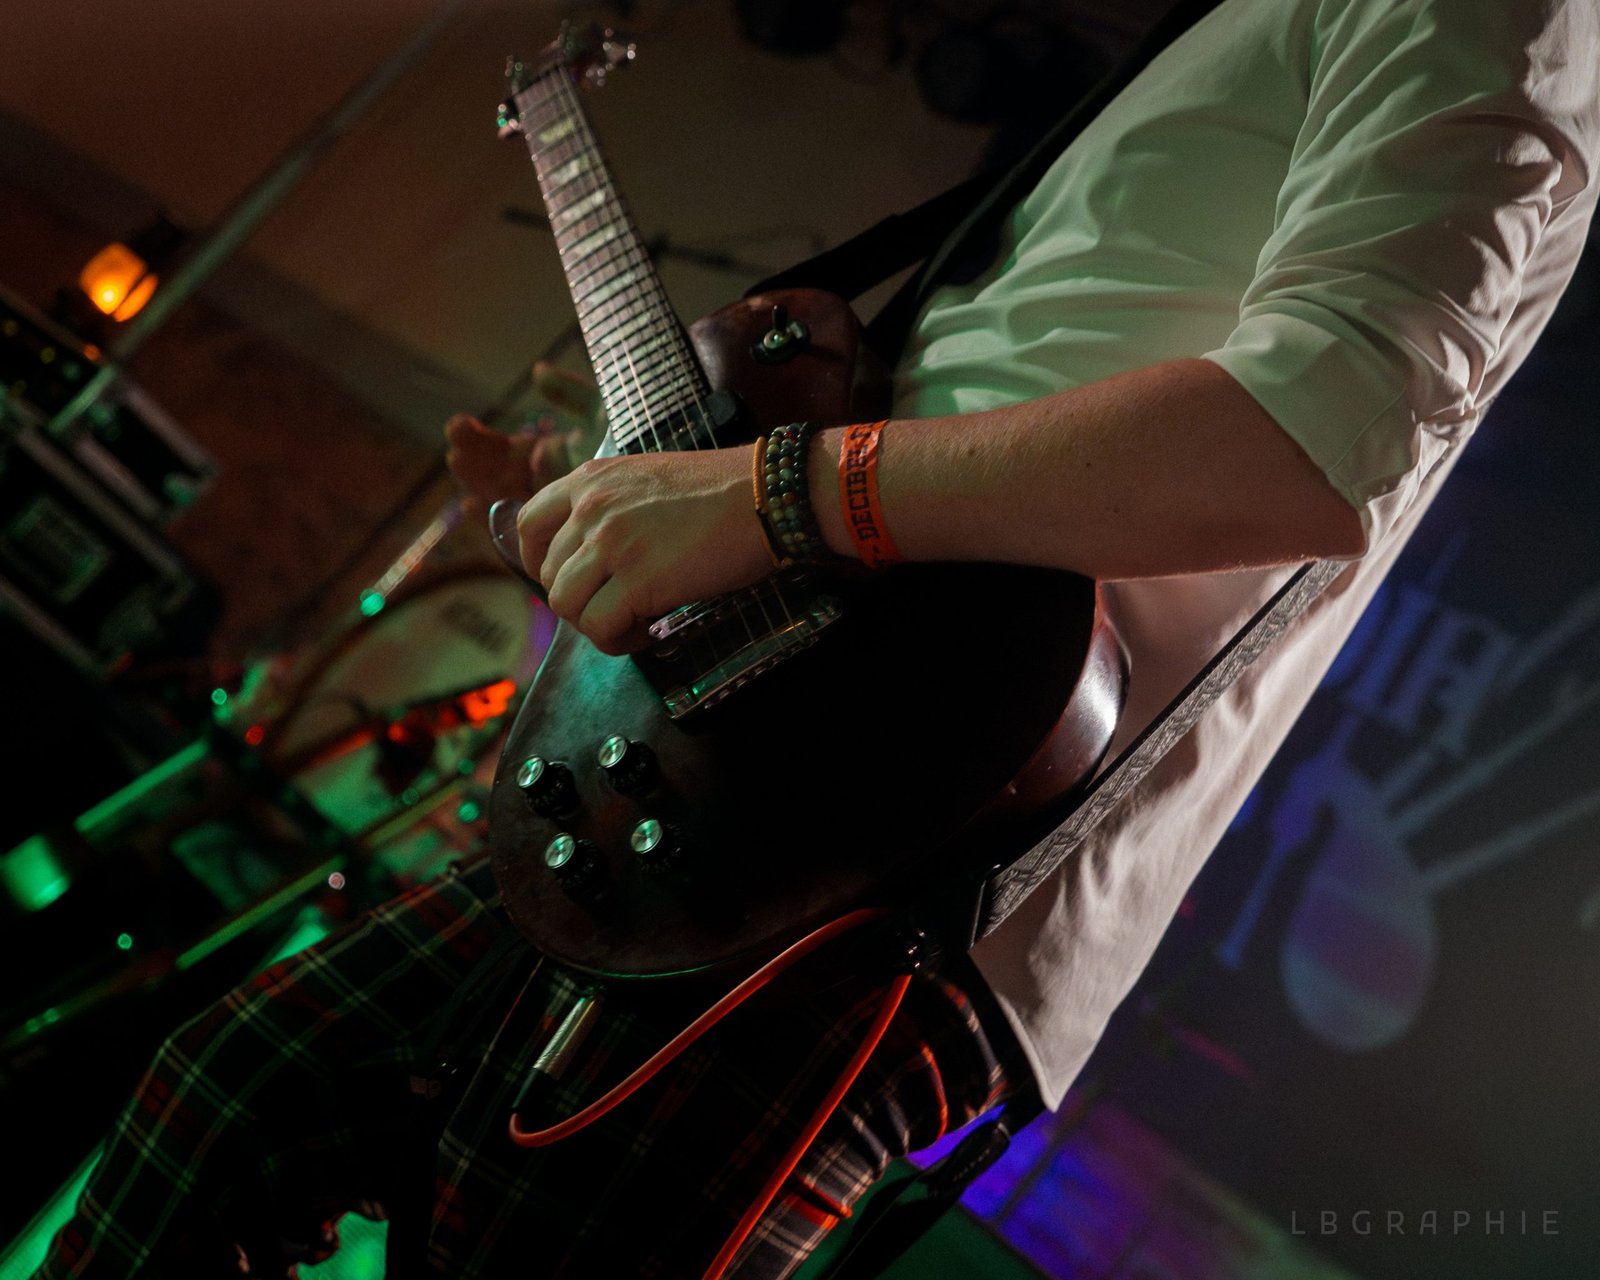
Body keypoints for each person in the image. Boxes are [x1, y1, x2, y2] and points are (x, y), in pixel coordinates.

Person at [33, 0, 1598, 1276]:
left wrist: (767, 495)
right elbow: (1001, 380)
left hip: (917, 845)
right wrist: (619, 505)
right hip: (732, 759)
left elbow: (1315, 434)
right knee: (222, 1099)